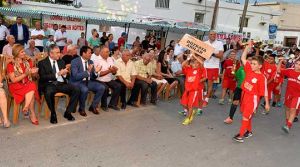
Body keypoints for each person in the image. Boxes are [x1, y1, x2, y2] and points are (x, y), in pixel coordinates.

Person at [233, 42, 270, 143]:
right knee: (246, 115)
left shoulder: (262, 77)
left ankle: (240, 135)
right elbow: (243, 59)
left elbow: (265, 91)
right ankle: (249, 131)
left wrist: (267, 103)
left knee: (245, 116)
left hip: (252, 98)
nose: (252, 65)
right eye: (252, 63)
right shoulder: (249, 70)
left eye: (254, 64)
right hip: (244, 95)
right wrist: (247, 48)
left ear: (260, 66)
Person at [38, 45, 80, 124]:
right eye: (57, 53)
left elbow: (67, 76)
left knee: (76, 89)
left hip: (61, 83)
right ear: (51, 53)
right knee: (49, 91)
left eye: (59, 52)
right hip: (49, 84)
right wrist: (57, 74)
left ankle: (68, 112)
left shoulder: (61, 61)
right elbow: (43, 77)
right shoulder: (42, 63)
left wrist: (64, 74)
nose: (59, 54)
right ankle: (53, 113)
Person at [7, 44, 39, 125]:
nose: (24, 53)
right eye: (22, 52)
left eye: (24, 51)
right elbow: (13, 80)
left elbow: (32, 76)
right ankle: (31, 113)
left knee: (31, 85)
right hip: (16, 86)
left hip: (27, 84)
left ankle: (26, 107)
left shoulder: (28, 61)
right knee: (32, 88)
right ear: (16, 53)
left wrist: (34, 73)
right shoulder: (11, 64)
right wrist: (25, 74)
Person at [70, 46, 105, 116]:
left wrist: (96, 72)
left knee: (102, 87)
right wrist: (88, 71)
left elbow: (93, 76)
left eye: (91, 53)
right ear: (83, 53)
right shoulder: (75, 61)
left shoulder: (90, 61)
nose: (91, 54)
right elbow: (75, 76)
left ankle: (93, 106)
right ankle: (81, 108)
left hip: (88, 82)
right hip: (77, 82)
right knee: (85, 89)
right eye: (89, 53)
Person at [224, 53, 253, 124]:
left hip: (248, 91)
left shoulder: (254, 70)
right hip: (239, 88)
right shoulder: (241, 69)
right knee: (235, 102)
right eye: (249, 60)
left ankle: (247, 120)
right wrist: (233, 72)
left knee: (246, 105)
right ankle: (230, 118)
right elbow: (236, 78)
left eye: (252, 60)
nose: (250, 62)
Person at [180, 54, 205, 125]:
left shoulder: (199, 70)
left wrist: (195, 56)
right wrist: (188, 58)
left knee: (190, 105)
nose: (195, 64)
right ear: (191, 63)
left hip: (194, 91)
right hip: (187, 90)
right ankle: (191, 112)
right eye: (194, 62)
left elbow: (202, 64)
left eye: (197, 63)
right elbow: (182, 65)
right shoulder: (188, 69)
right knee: (184, 104)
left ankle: (188, 118)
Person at [277, 58, 300, 134]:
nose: (297, 66)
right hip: (288, 94)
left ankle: (288, 125)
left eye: (299, 65)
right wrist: (280, 61)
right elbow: (279, 71)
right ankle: (287, 124)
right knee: (287, 108)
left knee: (293, 109)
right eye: (297, 64)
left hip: (297, 96)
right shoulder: (290, 70)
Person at [203, 30, 224, 107]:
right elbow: (201, 54)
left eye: (214, 34)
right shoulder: (205, 43)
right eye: (211, 34)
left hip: (214, 67)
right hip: (204, 65)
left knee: (210, 84)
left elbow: (221, 55)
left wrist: (211, 53)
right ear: (209, 35)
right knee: (201, 82)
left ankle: (206, 99)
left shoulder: (219, 43)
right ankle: (204, 95)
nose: (213, 35)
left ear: (216, 36)